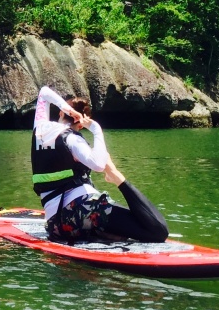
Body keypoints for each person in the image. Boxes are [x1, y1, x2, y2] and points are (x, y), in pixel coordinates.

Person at [30, 85, 168, 243]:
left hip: (55, 223)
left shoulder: (39, 128)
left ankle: (98, 232)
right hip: (79, 212)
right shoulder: (73, 139)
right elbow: (98, 165)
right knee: (157, 230)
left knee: (112, 214)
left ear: (61, 113)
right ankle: (118, 179)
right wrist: (96, 130)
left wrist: (67, 108)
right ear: (81, 124)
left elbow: (44, 93)